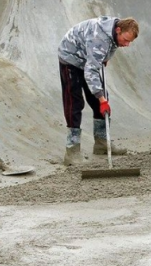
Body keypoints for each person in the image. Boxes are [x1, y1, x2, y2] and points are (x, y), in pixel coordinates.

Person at [58, 16, 139, 166]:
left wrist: (105, 56)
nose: (126, 44)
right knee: (74, 103)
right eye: (126, 40)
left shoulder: (115, 33)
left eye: (130, 42)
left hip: (88, 57)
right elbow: (91, 71)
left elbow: (109, 48)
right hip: (70, 57)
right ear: (118, 30)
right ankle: (72, 151)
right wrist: (102, 100)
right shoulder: (100, 39)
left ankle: (102, 143)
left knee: (100, 99)